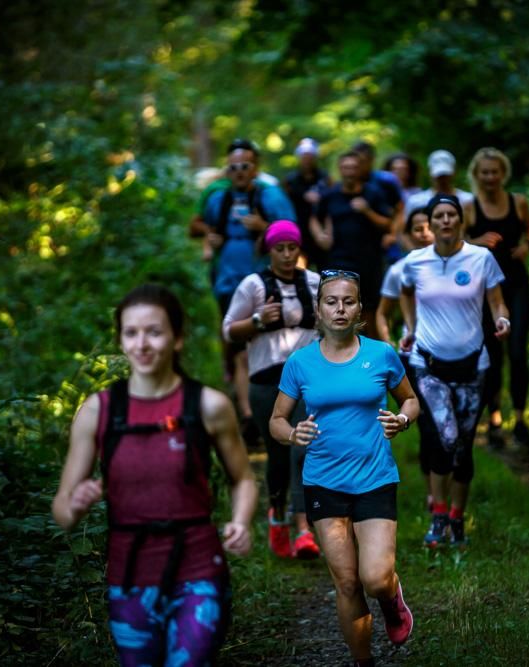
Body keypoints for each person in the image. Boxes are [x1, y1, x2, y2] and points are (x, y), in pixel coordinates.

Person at [52, 284, 257, 666]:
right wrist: (75, 505)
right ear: (121, 341)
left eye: (154, 332)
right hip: (129, 579)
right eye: (131, 333)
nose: (142, 344)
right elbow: (62, 511)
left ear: (177, 339)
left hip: (198, 573)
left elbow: (243, 478)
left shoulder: (209, 405)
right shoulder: (98, 411)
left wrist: (241, 522)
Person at [269, 270, 420, 667]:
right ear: (318, 310)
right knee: (348, 582)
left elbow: (410, 401)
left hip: (374, 477)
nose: (340, 308)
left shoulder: (382, 354)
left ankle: (391, 598)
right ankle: (362, 661)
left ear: (359, 310)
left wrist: (402, 420)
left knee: (375, 577)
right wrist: (292, 434)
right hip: (323, 481)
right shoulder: (300, 363)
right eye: (331, 302)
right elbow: (276, 420)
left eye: (348, 301)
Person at [400, 194, 510, 548]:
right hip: (428, 365)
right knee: (442, 439)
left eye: (451, 215)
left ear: (461, 220)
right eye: (439, 216)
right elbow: (405, 292)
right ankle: (438, 517)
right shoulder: (415, 261)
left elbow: (497, 301)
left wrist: (503, 319)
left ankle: (457, 518)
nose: (445, 220)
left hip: (473, 366)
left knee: (462, 446)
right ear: (430, 223)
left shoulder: (481, 258)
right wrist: (410, 327)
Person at [223, 220, 322, 560]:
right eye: (280, 249)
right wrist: (257, 320)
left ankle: (304, 529)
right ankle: (277, 516)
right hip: (266, 381)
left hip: (308, 380)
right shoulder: (252, 286)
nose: (287, 255)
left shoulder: (315, 282)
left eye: (292, 248)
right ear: (269, 250)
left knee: (302, 448)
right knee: (278, 456)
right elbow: (228, 331)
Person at [204, 138, 296, 450]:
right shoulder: (219, 199)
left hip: (264, 280)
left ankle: (271, 412)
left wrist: (263, 225)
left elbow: (290, 232)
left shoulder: (270, 196)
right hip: (228, 282)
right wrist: (211, 240)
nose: (239, 172)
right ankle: (249, 415)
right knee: (239, 348)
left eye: (245, 166)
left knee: (267, 346)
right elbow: (204, 227)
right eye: (233, 167)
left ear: (255, 168)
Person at [464, 147, 529, 449]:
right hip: (484, 290)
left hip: (516, 284)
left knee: (517, 352)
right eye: (485, 172)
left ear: (503, 173)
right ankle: (494, 420)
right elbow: (457, 243)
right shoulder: (469, 207)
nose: (490, 177)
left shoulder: (518, 202)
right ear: (476, 175)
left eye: (495, 172)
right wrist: (476, 242)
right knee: (492, 356)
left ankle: (520, 420)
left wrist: (527, 245)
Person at [376, 208, 436, 510]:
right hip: (414, 355)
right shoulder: (400, 269)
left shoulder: (460, 265)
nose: (424, 233)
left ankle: (448, 486)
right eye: (417, 229)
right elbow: (382, 313)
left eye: (428, 226)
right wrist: (389, 345)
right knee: (427, 424)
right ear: (408, 235)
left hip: (454, 355)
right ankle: (433, 492)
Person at [310, 150, 392, 339]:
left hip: (369, 262)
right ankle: (338, 347)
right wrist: (320, 235)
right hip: (338, 261)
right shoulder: (330, 194)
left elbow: (388, 224)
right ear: (340, 169)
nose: (350, 172)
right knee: (338, 306)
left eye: (354, 168)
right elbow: (314, 218)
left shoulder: (373, 193)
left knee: (369, 309)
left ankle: (372, 350)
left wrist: (367, 211)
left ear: (360, 169)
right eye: (346, 167)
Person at [352, 141, 405, 263]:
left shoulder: (386, 180)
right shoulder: (348, 183)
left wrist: (393, 234)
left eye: (362, 161)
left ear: (371, 160)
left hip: (385, 241)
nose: (358, 165)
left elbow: (400, 210)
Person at [283, 137, 331, 268]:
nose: (307, 160)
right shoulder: (291, 180)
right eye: (304, 156)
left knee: (324, 267)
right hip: (299, 231)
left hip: (321, 232)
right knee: (299, 268)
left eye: (310, 156)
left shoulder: (324, 178)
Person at [402, 149, 475, 223]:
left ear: (454, 172)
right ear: (429, 173)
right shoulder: (416, 202)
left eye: (445, 175)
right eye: (439, 176)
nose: (442, 179)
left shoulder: (468, 200)